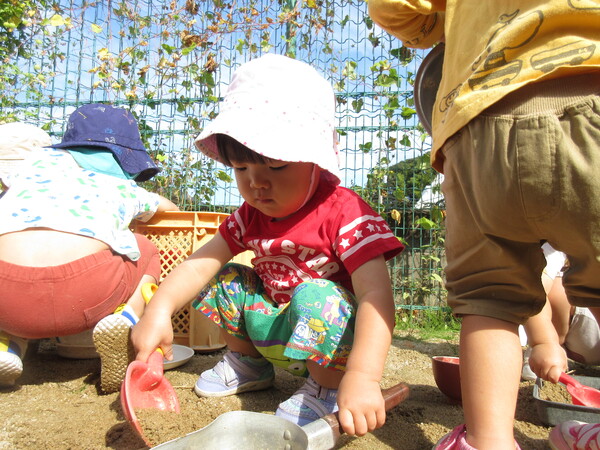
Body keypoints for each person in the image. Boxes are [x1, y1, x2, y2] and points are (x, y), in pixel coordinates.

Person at [130, 53, 405, 435]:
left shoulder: (346, 213)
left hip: (333, 341)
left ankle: (328, 387)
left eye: (276, 167)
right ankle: (249, 365)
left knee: (316, 294)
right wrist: (158, 311)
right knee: (223, 276)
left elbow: (376, 294)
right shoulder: (250, 214)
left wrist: (363, 375)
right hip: (275, 326)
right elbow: (198, 264)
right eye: (241, 169)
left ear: (315, 159)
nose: (256, 183)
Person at [367, 1, 600, 448]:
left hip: (482, 120)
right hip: (590, 82)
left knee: (489, 299)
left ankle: (488, 440)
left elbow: (397, 8)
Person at [0, 106, 179, 393]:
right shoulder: (120, 183)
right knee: (145, 250)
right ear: (124, 157)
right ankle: (126, 319)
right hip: (84, 290)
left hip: (7, 296)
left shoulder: (30, 169)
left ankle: (7, 347)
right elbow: (170, 211)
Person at [523, 244, 600, 381]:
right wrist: (545, 342)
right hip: (581, 334)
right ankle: (549, 352)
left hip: (590, 331)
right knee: (546, 283)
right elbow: (533, 288)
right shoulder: (557, 239)